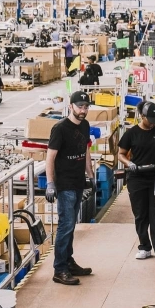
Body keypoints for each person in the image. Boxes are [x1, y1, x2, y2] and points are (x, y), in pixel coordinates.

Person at [45, 91, 95, 285]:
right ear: (71, 106)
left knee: (71, 225)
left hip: (78, 181)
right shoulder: (59, 129)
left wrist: (91, 176)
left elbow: (86, 150)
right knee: (65, 226)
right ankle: (60, 269)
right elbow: (50, 157)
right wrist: (50, 183)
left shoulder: (85, 125)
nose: (83, 110)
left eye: (86, 107)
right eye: (80, 106)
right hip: (65, 184)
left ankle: (68, 261)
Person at [118, 101, 155, 263]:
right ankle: (145, 247)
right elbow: (121, 154)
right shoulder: (131, 133)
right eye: (151, 120)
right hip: (137, 179)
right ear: (142, 116)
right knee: (141, 215)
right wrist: (129, 164)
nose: (153, 123)